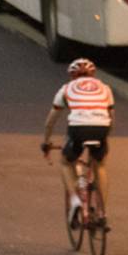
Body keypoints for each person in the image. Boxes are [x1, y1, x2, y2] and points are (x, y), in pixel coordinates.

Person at [42, 58, 114, 229]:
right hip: (101, 129)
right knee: (100, 166)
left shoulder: (66, 89)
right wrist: (105, 138)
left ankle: (75, 200)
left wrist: (46, 142)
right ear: (93, 74)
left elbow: (50, 121)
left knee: (66, 162)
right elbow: (112, 117)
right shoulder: (105, 88)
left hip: (78, 130)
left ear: (72, 76)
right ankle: (102, 213)